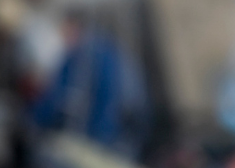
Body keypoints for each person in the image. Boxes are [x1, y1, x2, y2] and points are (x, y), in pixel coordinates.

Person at [31, 9, 149, 158]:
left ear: (75, 27)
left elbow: (108, 103)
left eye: (65, 30)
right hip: (122, 136)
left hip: (115, 140)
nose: (63, 37)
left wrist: (95, 145)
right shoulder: (97, 52)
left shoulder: (90, 57)